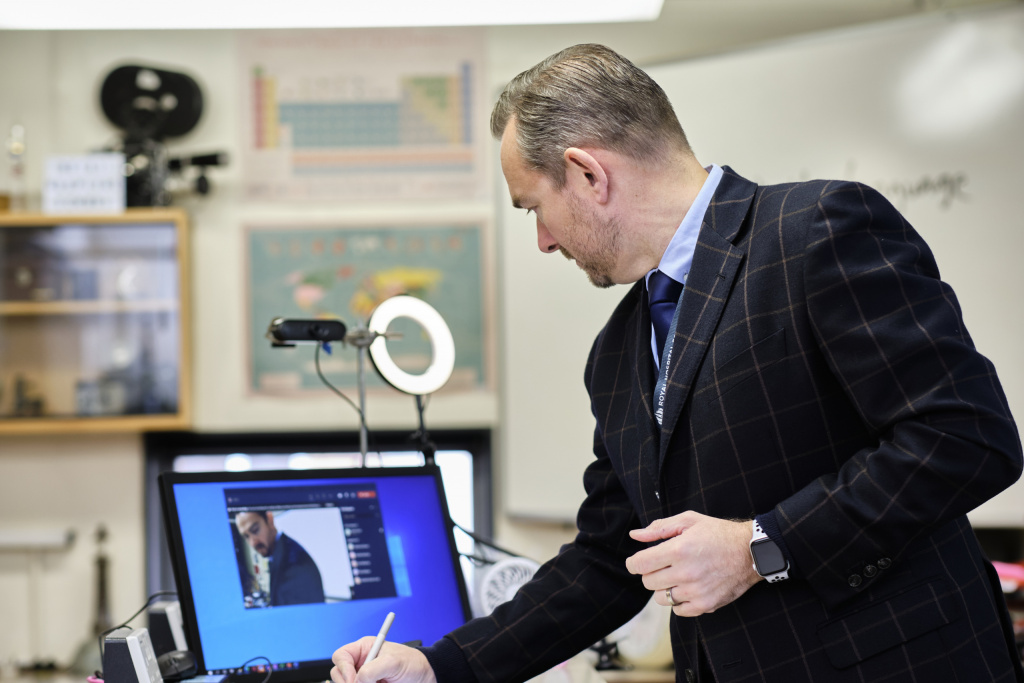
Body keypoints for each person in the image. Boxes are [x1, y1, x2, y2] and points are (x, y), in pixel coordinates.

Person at [331, 44, 1024, 683]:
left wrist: (762, 544)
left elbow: (965, 436)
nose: (542, 240)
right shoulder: (618, 350)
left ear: (586, 173)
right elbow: (611, 559)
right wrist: (438, 665)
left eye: (535, 209)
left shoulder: (817, 234)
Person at [235, 510, 326, 607]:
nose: (252, 543)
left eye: (255, 530)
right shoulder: (280, 555)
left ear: (270, 519)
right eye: (246, 536)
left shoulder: (294, 565)